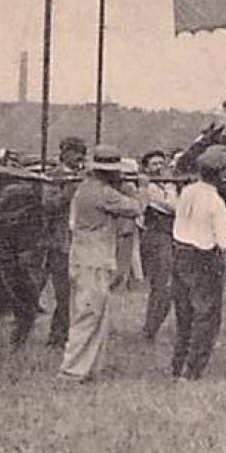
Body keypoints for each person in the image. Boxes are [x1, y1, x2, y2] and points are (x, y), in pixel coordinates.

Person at [57, 145, 143, 383]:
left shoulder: (85, 189)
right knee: (88, 316)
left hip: (84, 258)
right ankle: (72, 371)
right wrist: (139, 189)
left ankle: (89, 369)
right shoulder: (103, 193)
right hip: (93, 261)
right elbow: (135, 208)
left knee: (93, 316)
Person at [170, 144, 226, 379]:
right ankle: (193, 370)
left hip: (181, 253)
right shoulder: (215, 201)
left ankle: (178, 365)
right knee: (207, 316)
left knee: (184, 315)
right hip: (204, 258)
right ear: (222, 173)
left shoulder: (188, 191)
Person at [0, 175, 47, 347]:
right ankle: (16, 345)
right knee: (22, 303)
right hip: (10, 257)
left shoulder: (13, 193)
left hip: (5, 255)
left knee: (7, 302)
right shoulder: (24, 197)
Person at [39, 136, 87, 348]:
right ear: (64, 153)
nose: (79, 156)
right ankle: (58, 337)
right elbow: (49, 204)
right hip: (58, 242)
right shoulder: (53, 176)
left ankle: (63, 335)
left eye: (82, 152)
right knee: (64, 293)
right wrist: (69, 190)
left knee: (75, 293)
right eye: (75, 151)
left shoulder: (83, 176)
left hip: (79, 241)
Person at [137, 150, 179, 343]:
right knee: (162, 284)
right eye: (154, 164)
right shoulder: (147, 187)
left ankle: (151, 327)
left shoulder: (168, 184)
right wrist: (170, 189)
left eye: (161, 163)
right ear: (146, 168)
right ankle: (150, 330)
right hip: (156, 235)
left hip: (169, 235)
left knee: (165, 286)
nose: (159, 167)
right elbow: (171, 206)